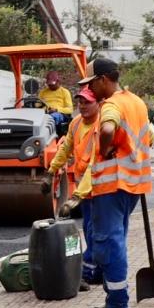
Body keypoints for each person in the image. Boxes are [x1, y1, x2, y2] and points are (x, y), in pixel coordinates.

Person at [60, 58, 152, 308]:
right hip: (133, 184)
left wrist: (105, 147)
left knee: (108, 243)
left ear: (102, 80)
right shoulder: (136, 102)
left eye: (91, 83)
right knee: (117, 239)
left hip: (112, 186)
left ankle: (117, 304)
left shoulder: (111, 105)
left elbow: (109, 127)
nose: (89, 89)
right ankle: (115, 296)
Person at [42, 87, 101, 291]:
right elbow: (66, 147)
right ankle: (93, 271)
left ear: (98, 103)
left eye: (87, 102)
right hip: (84, 188)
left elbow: (96, 164)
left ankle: (87, 273)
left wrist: (76, 195)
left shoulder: (101, 125)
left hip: (100, 186)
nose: (82, 106)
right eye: (80, 102)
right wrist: (51, 171)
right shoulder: (76, 123)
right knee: (88, 229)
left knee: (95, 231)